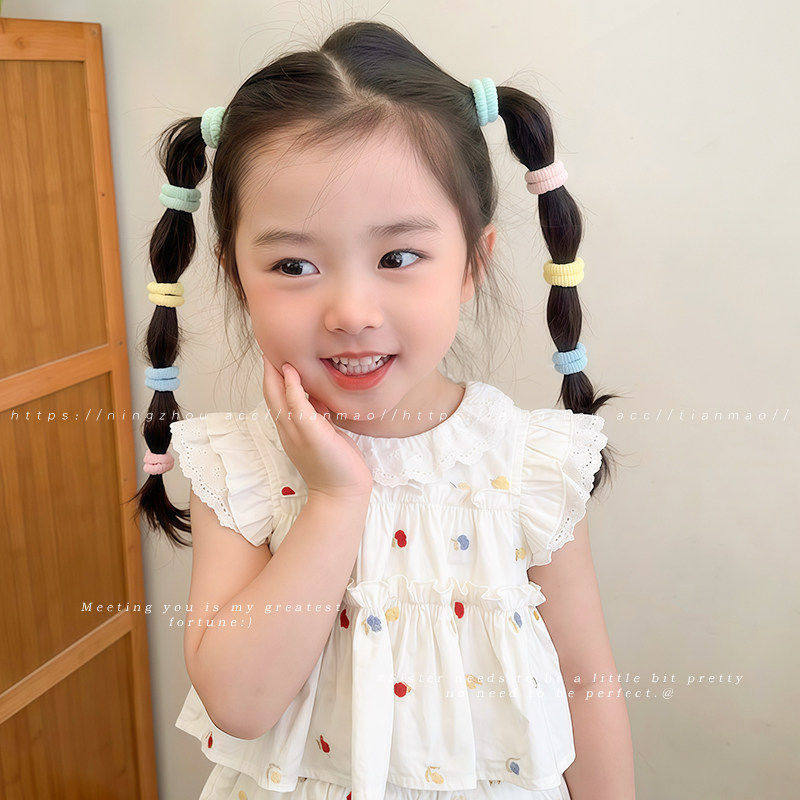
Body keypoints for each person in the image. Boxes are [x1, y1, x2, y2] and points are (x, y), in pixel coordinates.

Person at [134, 20, 635, 800]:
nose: (351, 312)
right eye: (293, 264)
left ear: (471, 265)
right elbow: (238, 702)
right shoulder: (239, 466)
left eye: (398, 257)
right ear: (235, 277)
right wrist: (335, 498)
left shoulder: (526, 462)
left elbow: (585, 684)